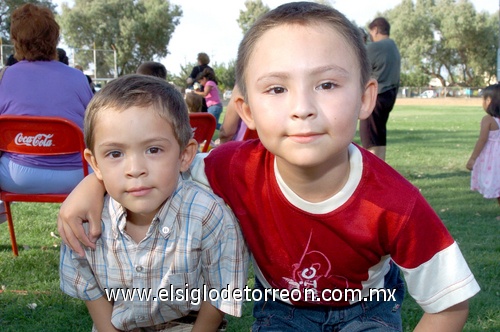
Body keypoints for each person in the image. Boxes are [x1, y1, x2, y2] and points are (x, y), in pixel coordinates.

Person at [58, 2, 479, 331]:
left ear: (366, 97)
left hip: (366, 308)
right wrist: (92, 187)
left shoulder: (395, 202)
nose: (302, 108)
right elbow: (157, 168)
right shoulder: (231, 168)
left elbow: (450, 302)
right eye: (277, 88)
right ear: (247, 110)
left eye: (327, 84)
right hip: (281, 309)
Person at [59, 74, 249, 332]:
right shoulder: (85, 220)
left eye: (153, 150)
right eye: (115, 153)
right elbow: (88, 285)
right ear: (95, 164)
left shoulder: (208, 215)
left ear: (184, 155)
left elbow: (219, 292)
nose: (135, 169)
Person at [0, 3, 93, 195]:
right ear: (54, 38)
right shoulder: (77, 77)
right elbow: (94, 123)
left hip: (14, 177)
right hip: (77, 176)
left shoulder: (4, 77)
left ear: (16, 40)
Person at [359, 17, 401, 161]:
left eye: (370, 33)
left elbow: (355, 61)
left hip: (376, 96)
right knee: (379, 138)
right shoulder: (392, 46)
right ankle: (381, 170)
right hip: (389, 95)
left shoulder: (376, 47)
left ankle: (372, 176)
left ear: (375, 30)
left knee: (370, 139)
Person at [466, 83, 500, 213]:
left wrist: (473, 159)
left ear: (489, 101)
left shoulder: (488, 119)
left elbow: (482, 140)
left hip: (494, 159)